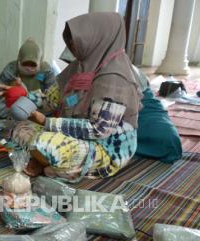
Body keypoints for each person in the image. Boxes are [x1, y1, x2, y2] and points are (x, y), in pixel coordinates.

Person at [11, 12, 141, 181]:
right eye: (70, 39)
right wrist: (28, 102)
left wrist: (46, 122)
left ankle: (50, 165)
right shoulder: (78, 66)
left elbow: (98, 130)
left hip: (105, 148)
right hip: (74, 136)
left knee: (44, 144)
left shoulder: (115, 78)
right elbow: (50, 98)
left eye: (78, 38)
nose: (72, 44)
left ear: (98, 38)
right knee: (19, 129)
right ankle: (51, 165)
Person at [0, 38, 57, 110]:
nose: (28, 68)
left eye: (32, 64)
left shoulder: (46, 71)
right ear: (19, 60)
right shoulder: (11, 68)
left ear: (40, 62)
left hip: (38, 106)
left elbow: (52, 99)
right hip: (14, 103)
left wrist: (28, 96)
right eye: (25, 64)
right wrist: (11, 92)